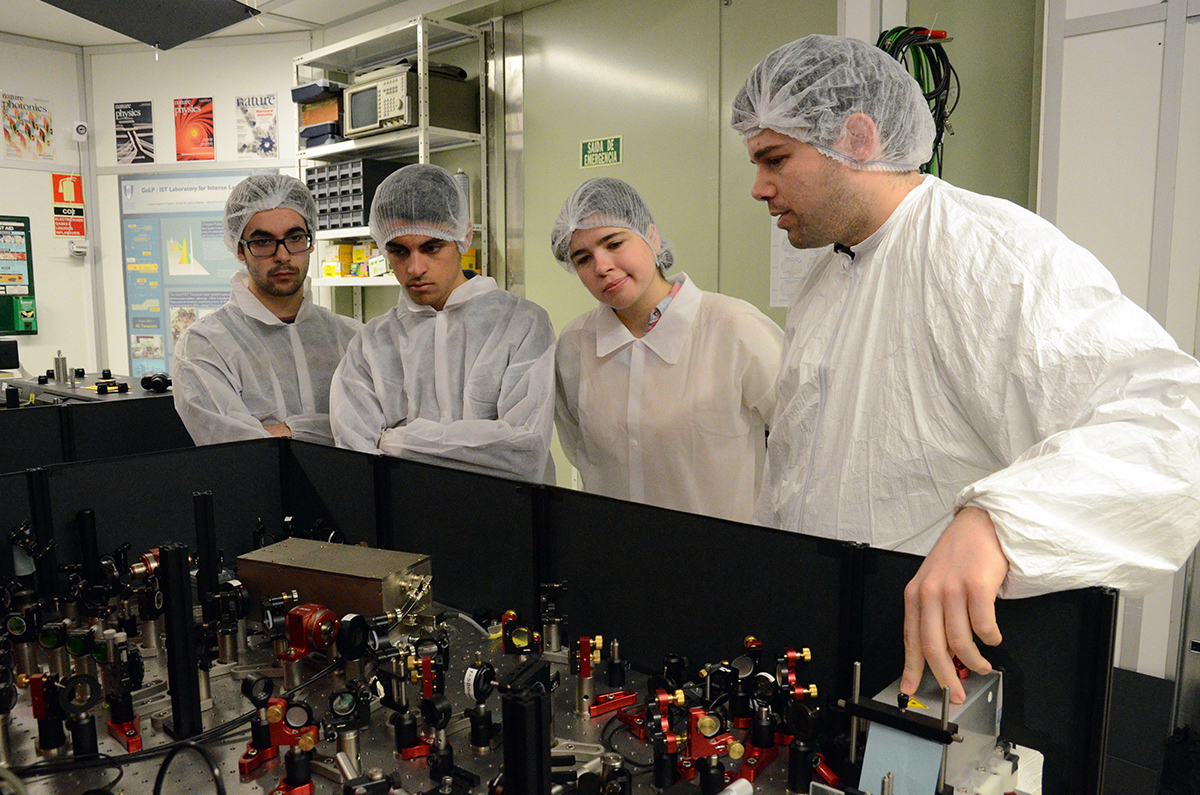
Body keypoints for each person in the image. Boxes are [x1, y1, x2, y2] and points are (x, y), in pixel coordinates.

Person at [732, 34, 1200, 703]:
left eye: (775, 158)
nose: (758, 188)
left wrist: (997, 520)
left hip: (942, 666)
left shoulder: (987, 254)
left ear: (859, 138)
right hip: (824, 642)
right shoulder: (824, 280)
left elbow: (1167, 423)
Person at [551, 178, 783, 522]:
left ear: (651, 236)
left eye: (613, 243)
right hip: (618, 554)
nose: (602, 266)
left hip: (726, 556)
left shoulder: (734, 327)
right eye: (583, 259)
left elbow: (802, 436)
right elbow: (581, 452)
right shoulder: (574, 345)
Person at [329, 164, 556, 483]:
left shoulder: (522, 325)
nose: (415, 268)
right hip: (405, 522)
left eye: (431, 247)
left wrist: (394, 440)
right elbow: (356, 458)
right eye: (399, 251)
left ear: (463, 237)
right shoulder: (371, 345)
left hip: (507, 520)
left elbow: (523, 452)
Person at [173, 174, 360, 446]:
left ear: (311, 241)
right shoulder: (205, 345)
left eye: (295, 237)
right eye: (263, 242)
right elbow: (233, 445)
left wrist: (285, 429)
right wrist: (334, 428)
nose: (283, 255)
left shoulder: (350, 337)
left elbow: (376, 431)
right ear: (239, 249)